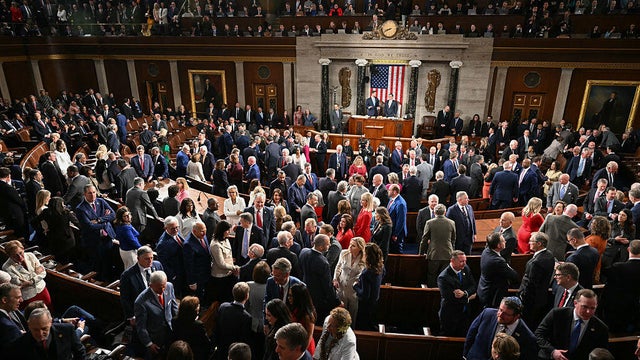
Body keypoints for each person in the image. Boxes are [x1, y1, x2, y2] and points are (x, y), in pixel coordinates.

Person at [535, 289, 609, 360]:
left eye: (592, 308)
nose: (588, 311)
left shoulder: (601, 328)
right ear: (575, 303)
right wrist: (553, 351)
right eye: (584, 307)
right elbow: (539, 334)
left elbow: (601, 354)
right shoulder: (557, 314)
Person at [464, 296, 537, 360]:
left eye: (506, 314)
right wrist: (465, 356)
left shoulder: (527, 337)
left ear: (516, 317)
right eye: (500, 310)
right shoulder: (487, 314)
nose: (500, 315)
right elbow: (470, 336)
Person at [8, 307, 85, 359]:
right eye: (35, 329)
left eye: (44, 329)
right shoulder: (20, 344)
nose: (40, 333)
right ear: (29, 325)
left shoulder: (67, 330)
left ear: (50, 322)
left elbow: (80, 352)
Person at [134, 270, 178, 359]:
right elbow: (141, 327)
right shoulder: (140, 302)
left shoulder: (169, 286)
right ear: (151, 285)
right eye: (159, 288)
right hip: (155, 337)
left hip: (170, 331)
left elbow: (174, 307)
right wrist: (149, 344)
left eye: (164, 286)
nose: (162, 290)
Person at [298, 234, 341, 325]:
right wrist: (336, 301)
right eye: (328, 244)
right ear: (321, 247)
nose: (329, 246)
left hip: (305, 290)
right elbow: (327, 285)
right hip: (319, 298)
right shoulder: (323, 262)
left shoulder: (303, 252)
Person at [601, 239, 640, 334]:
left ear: (628, 249)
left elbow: (603, 271)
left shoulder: (617, 267)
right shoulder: (618, 267)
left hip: (618, 313)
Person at [518, 232, 555, 330]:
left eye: (531, 241)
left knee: (528, 324)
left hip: (531, 301)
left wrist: (522, 295)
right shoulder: (549, 255)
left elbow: (531, 284)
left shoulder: (536, 263)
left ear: (539, 244)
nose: (529, 243)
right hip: (542, 297)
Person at [437, 250, 477, 337]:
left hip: (464, 313)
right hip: (450, 315)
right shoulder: (443, 277)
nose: (464, 263)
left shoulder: (465, 268)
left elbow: (473, 286)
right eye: (461, 261)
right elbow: (450, 298)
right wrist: (468, 298)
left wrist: (465, 293)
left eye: (465, 261)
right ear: (452, 261)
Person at [1, 240, 50, 309]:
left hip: (41, 288)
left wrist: (29, 282)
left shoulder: (30, 255)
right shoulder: (6, 267)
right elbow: (19, 283)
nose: (20, 257)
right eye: (15, 256)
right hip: (28, 295)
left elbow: (43, 273)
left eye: (21, 253)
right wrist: (35, 273)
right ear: (9, 255)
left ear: (23, 249)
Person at [477, 233, 519, 309]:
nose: (505, 241)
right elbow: (514, 275)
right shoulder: (498, 261)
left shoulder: (486, 251)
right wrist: (507, 266)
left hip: (484, 289)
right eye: (503, 241)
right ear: (499, 246)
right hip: (492, 296)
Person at [33, 196, 79, 264]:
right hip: (67, 239)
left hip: (53, 238)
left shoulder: (46, 212)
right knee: (68, 258)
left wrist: (42, 230)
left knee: (58, 258)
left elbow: (34, 222)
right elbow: (77, 223)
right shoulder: (66, 212)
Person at [333, 237, 366, 327]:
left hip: (353, 290)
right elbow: (338, 267)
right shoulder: (344, 253)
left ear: (360, 248)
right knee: (340, 313)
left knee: (352, 314)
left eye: (353, 246)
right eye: (350, 245)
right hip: (341, 286)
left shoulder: (364, 258)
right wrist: (335, 279)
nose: (350, 247)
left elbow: (363, 275)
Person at [420, 203, 456, 287]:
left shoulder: (429, 223)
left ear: (435, 213)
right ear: (445, 212)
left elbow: (424, 239)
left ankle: (432, 294)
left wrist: (421, 253)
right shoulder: (451, 223)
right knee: (444, 276)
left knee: (432, 275)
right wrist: (452, 251)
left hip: (434, 254)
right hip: (447, 254)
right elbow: (453, 239)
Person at [215, 282, 252, 360]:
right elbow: (244, 338)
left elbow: (217, 327)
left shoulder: (223, 307)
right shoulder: (246, 317)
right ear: (247, 296)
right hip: (235, 353)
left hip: (221, 347)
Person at [354, 242, 385, 331]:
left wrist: (355, 286)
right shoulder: (381, 266)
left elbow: (364, 295)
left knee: (362, 326)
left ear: (367, 256)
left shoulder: (366, 273)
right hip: (375, 301)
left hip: (365, 306)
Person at [172, 296, 212, 360]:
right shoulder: (198, 325)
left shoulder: (174, 321)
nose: (199, 307)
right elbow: (206, 344)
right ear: (193, 310)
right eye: (197, 307)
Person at [210, 220, 240, 303]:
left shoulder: (226, 240)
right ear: (222, 231)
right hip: (220, 276)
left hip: (228, 274)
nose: (229, 232)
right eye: (227, 230)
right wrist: (234, 267)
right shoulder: (215, 244)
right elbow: (221, 264)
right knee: (222, 299)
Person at [156, 216, 186, 297]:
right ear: (166, 228)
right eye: (173, 228)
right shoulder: (162, 244)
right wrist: (173, 276)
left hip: (183, 269)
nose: (176, 230)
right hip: (176, 275)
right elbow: (163, 263)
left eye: (177, 227)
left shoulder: (176, 232)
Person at [183, 222, 211, 302]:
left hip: (206, 274)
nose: (204, 233)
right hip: (197, 278)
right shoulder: (188, 244)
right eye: (202, 231)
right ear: (194, 231)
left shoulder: (203, 236)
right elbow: (189, 265)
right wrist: (192, 282)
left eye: (205, 230)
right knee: (199, 298)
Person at [287, 283, 317, 355]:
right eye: (289, 295)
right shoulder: (294, 309)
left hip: (304, 347)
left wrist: (302, 352)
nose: (289, 298)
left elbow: (309, 335)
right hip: (294, 344)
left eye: (291, 296)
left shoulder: (307, 315)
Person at [584, 216, 610, 284]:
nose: (591, 224)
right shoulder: (603, 238)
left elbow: (585, 252)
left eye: (593, 223)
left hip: (589, 264)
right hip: (597, 263)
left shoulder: (593, 239)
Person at [387, 184, 407, 254]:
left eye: (389, 190)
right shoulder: (391, 200)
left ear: (394, 192)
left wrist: (395, 234)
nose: (388, 191)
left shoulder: (400, 203)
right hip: (391, 230)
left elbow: (401, 220)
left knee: (397, 251)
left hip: (397, 233)